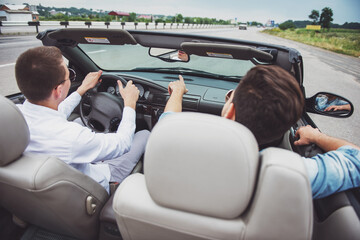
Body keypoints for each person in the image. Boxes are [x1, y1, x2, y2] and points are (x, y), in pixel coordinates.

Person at [162, 65, 360, 199]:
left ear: (230, 111)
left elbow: (168, 123)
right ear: (285, 128)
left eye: (231, 98)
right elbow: (356, 160)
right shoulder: (288, 175)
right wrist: (316, 135)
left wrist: (178, 91)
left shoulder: (182, 146)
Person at [15, 46, 150, 193]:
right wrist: (130, 104)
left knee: (80, 121)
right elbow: (123, 144)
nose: (71, 79)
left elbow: (55, 112)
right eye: (70, 76)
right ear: (59, 90)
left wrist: (81, 90)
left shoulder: (15, 117)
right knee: (144, 134)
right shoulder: (71, 137)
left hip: (52, 179)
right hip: (97, 183)